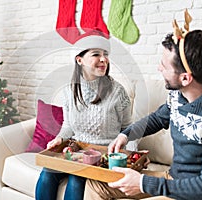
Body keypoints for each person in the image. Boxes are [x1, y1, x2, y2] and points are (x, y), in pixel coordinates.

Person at [84, 13, 202, 200]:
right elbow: (159, 118)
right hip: (172, 180)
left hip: (194, 194)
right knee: (97, 183)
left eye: (164, 65)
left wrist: (142, 183)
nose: (159, 68)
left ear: (185, 78)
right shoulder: (179, 93)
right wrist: (126, 134)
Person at [35, 34, 133, 200]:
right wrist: (59, 139)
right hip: (77, 151)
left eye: (105, 54)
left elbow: (129, 128)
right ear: (79, 60)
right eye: (96, 54)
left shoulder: (117, 91)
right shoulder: (69, 91)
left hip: (103, 157)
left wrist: (129, 159)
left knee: (75, 178)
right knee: (47, 173)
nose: (104, 59)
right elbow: (68, 126)